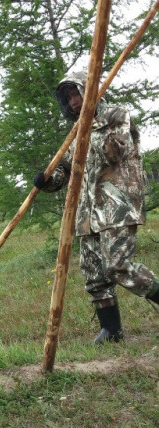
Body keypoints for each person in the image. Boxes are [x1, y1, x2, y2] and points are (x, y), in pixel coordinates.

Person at [34, 71, 159, 344]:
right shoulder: (75, 131)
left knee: (118, 266)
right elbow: (65, 170)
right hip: (87, 212)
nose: (74, 102)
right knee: (94, 275)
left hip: (118, 205)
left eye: (76, 94)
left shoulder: (116, 115)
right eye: (68, 98)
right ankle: (111, 331)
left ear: (88, 90)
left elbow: (114, 153)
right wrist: (47, 180)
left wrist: (93, 125)